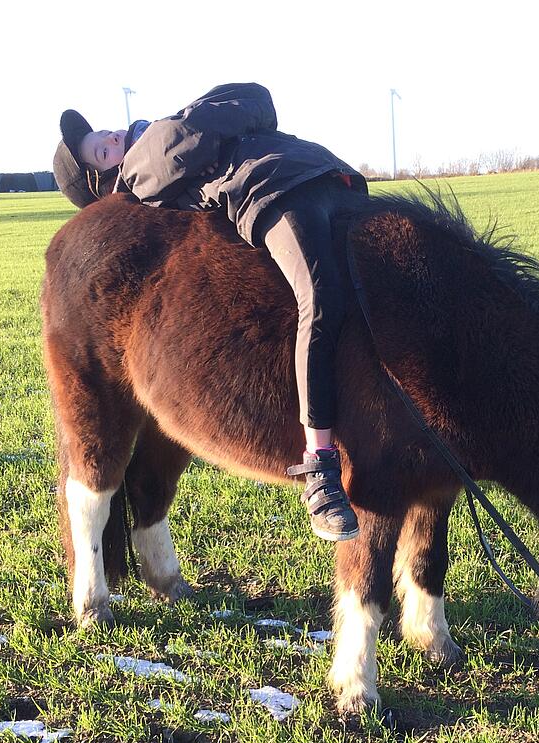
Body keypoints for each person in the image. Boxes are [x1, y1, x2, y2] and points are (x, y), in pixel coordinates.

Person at [52, 83, 368, 542]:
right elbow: (230, 112)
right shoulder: (148, 158)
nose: (115, 136)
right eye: (103, 149)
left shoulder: (159, 137)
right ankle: (320, 463)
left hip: (324, 177)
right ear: (106, 181)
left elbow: (251, 98)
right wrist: (216, 114)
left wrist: (224, 114)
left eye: (105, 133)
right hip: (274, 192)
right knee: (319, 298)